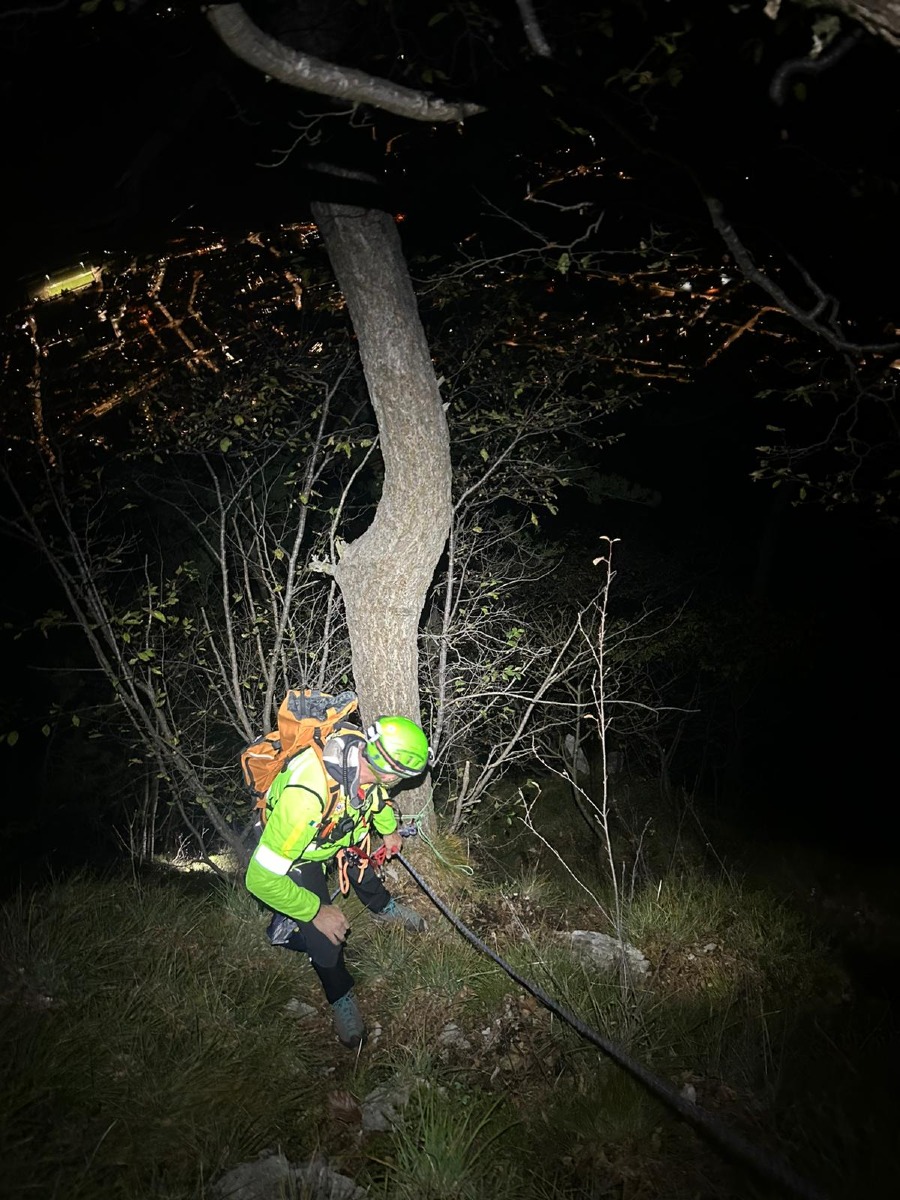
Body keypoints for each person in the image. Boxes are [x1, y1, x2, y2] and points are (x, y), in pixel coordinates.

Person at [245, 714, 430, 1048]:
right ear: (389, 771)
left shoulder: (362, 756)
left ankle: (382, 906)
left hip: (336, 830)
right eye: (400, 778)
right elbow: (260, 878)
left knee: (362, 863)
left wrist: (388, 831)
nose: (398, 784)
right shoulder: (307, 795)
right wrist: (315, 910)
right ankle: (340, 995)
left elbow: (374, 799)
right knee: (327, 937)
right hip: (299, 852)